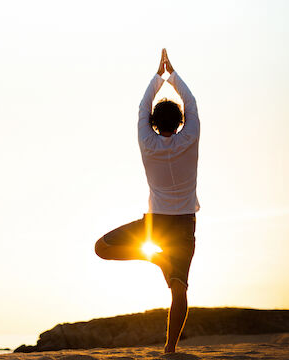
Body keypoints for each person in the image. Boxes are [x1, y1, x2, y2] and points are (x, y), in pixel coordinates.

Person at [94, 49, 200, 353]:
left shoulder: (147, 141)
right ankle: (169, 350)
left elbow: (142, 107)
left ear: (153, 122)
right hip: (182, 224)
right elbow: (191, 104)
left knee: (102, 248)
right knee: (178, 289)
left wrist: (158, 77)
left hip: (155, 224)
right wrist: (172, 75)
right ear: (181, 121)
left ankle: (153, 257)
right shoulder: (190, 138)